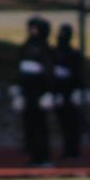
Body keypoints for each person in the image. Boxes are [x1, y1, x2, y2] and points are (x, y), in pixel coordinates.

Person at [16, 16, 53, 167]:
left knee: (40, 126)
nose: (33, 31)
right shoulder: (26, 46)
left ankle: (44, 158)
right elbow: (20, 69)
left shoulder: (44, 48)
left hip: (40, 93)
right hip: (27, 93)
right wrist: (18, 90)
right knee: (29, 125)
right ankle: (34, 157)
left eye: (36, 28)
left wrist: (48, 92)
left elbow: (49, 72)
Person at [52, 23, 84, 161]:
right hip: (58, 92)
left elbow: (79, 74)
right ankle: (67, 151)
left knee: (73, 123)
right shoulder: (54, 52)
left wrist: (78, 90)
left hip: (70, 93)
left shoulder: (74, 53)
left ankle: (74, 151)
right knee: (63, 123)